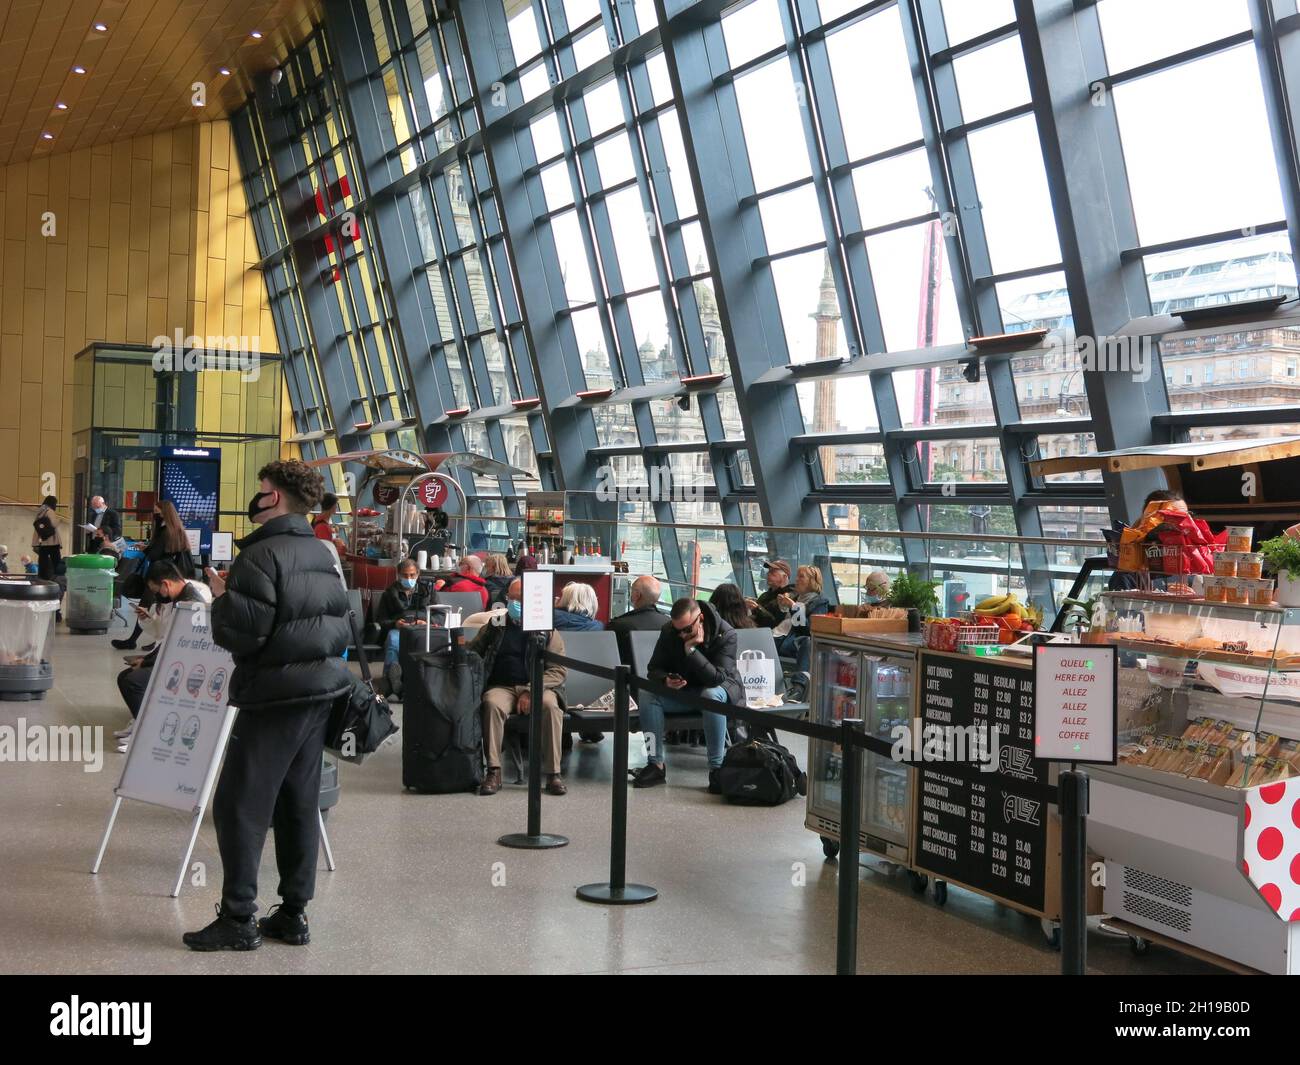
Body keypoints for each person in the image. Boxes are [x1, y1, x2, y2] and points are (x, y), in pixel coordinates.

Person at [182, 459, 353, 952]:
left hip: (275, 697)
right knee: (298, 803)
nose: (256, 496)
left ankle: (238, 918)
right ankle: (294, 915)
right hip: (320, 694)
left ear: (274, 498)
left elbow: (244, 633)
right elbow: (339, 624)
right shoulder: (323, 552)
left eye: (261, 489)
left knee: (239, 803)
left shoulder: (260, 557)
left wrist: (223, 599)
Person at [631, 596, 742, 792]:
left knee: (710, 695)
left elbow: (716, 678)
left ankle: (716, 769)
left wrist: (691, 651)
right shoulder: (668, 631)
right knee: (648, 693)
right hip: (686, 691)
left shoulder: (726, 634)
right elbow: (654, 668)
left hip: (719, 691)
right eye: (678, 630)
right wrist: (666, 680)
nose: (682, 635)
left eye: (687, 630)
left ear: (700, 618)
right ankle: (655, 764)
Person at [471, 578, 568, 797]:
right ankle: (494, 770)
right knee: (491, 704)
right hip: (502, 686)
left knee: (551, 708)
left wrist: (530, 689)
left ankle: (553, 773)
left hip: (538, 687)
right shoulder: (497, 625)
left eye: (520, 599)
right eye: (511, 598)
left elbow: (558, 670)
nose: (515, 603)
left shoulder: (546, 629)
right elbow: (475, 651)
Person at [114, 562, 213, 753]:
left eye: (156, 589)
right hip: (173, 659)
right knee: (124, 677)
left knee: (133, 682)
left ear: (166, 584)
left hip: (186, 665)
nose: (156, 594)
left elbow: (180, 643)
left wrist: (148, 661)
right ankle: (141, 723)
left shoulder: (192, 604)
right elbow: (168, 638)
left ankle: (147, 731)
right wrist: (148, 659)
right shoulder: (179, 600)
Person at [112, 500, 193, 650]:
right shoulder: (175, 529)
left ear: (164, 513)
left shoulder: (164, 531)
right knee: (159, 608)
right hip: (170, 574)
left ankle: (138, 640)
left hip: (159, 574)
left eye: (157, 512)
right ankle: (154, 640)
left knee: (147, 606)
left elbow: (156, 554)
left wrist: (146, 549)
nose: (155, 515)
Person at [373, 557, 432, 697]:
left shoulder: (427, 591)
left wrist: (425, 622)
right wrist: (395, 624)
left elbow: (439, 614)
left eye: (412, 575)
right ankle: (391, 679)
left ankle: (416, 681)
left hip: (422, 628)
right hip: (399, 629)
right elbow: (381, 620)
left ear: (418, 574)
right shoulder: (390, 593)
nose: (409, 578)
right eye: (405, 575)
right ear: (398, 575)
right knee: (394, 641)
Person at [772, 565, 830, 677]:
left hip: (790, 642)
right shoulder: (795, 598)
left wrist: (794, 608)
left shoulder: (820, 603)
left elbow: (808, 630)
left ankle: (800, 685)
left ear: (812, 581)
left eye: (801, 577)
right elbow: (779, 623)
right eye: (797, 576)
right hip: (778, 637)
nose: (796, 580)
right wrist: (781, 607)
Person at [606, 575, 667, 664]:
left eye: (632, 590)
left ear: (637, 595)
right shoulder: (669, 624)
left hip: (628, 676)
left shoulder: (619, 625)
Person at [746, 559, 794, 628]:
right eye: (769, 572)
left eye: (773, 573)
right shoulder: (765, 595)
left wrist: (757, 608)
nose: (768, 574)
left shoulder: (789, 597)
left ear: (785, 577)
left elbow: (775, 624)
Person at [32, 495, 62, 581]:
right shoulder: (49, 511)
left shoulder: (41, 511)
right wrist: (59, 520)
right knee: (56, 560)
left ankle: (42, 577)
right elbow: (53, 524)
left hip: (42, 540)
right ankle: (57, 578)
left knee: (42, 560)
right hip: (51, 541)